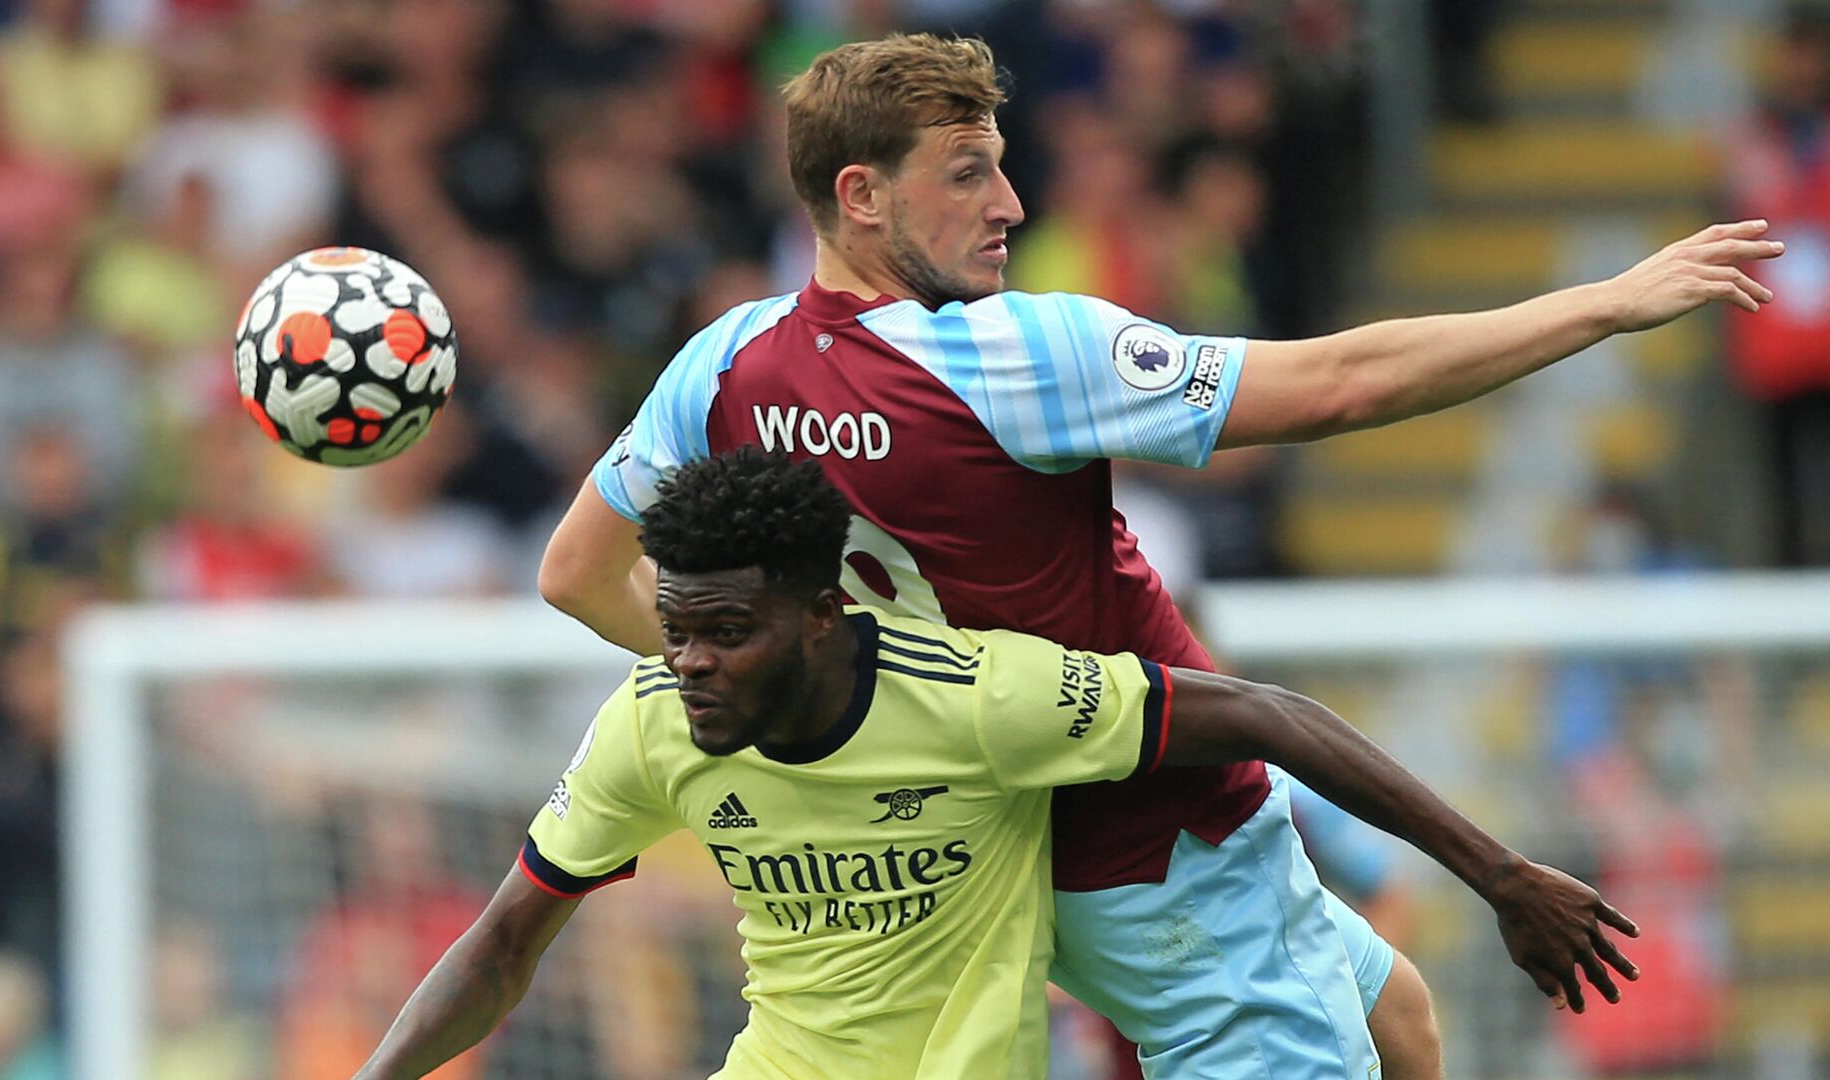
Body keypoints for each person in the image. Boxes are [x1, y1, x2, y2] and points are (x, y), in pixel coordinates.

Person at [536, 33, 1777, 1078]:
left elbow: (579, 575)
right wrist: (1606, 303)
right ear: (862, 196)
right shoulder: (1011, 356)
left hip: (984, 847)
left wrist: (843, 723)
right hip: (1158, 845)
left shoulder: (722, 364)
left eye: (1002, 170)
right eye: (967, 176)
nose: (1010, 206)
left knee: (1400, 1014)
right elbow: (1345, 383)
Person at [361, 449, 1636, 1080]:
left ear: (823, 614)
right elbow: (506, 940)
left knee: (1398, 1004)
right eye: (676, 626)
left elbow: (1259, 714)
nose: (685, 661)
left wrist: (1503, 874)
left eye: (723, 633)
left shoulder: (979, 700)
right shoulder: (652, 725)